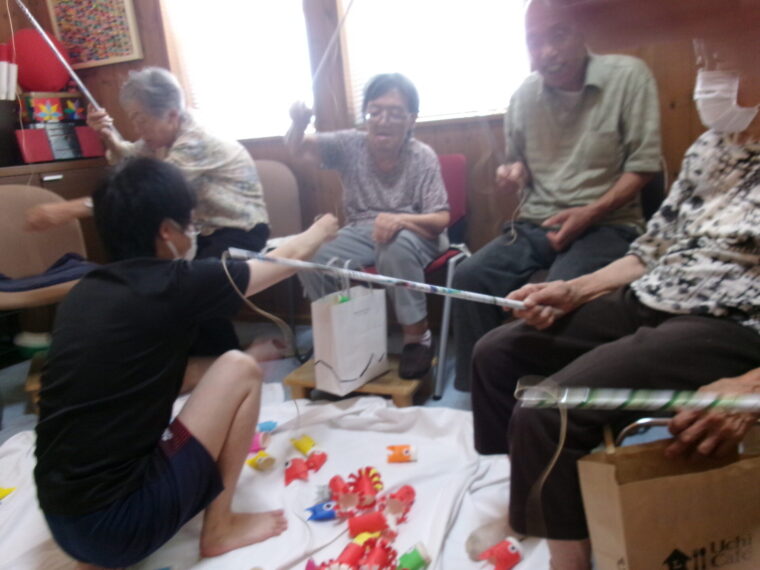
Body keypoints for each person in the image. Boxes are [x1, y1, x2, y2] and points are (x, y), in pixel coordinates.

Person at [471, 29, 760, 570]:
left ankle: (569, 560)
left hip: (731, 321)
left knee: (549, 409)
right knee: (496, 353)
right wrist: (573, 289)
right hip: (655, 293)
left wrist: (750, 389)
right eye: (703, 57)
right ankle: (531, 505)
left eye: (723, 55)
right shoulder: (711, 147)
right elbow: (651, 250)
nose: (708, 75)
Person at [33, 157, 338, 568]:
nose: (193, 234)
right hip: (121, 530)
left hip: (63, 522)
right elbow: (287, 258)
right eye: (190, 224)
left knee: (236, 364)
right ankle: (220, 528)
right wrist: (324, 225)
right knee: (241, 370)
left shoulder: (86, 291)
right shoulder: (173, 283)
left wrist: (245, 357)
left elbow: (151, 379)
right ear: (166, 231)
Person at [450, 0, 662, 391]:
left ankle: (555, 401)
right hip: (537, 224)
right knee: (468, 277)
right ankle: (480, 392)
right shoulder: (523, 96)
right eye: (534, 41)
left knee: (558, 295)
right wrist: (514, 171)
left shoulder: (629, 77)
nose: (547, 51)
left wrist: (590, 212)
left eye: (558, 35)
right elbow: (517, 162)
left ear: (583, 32)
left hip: (608, 223)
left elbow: (644, 166)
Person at [286, 73, 450, 379]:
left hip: (417, 232)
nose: (383, 121)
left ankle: (417, 338)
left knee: (393, 246)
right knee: (311, 253)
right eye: (375, 112)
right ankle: (341, 336)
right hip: (362, 230)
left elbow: (440, 219)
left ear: (411, 119)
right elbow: (298, 149)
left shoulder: (422, 156)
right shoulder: (349, 144)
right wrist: (298, 124)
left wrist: (400, 220)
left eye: (395, 113)